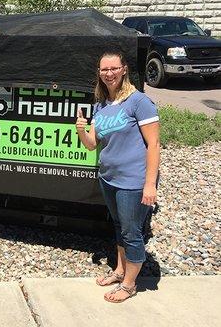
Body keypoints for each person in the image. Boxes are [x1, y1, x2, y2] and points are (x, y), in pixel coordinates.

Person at [76, 52, 160, 303]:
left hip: (133, 181)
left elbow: (154, 144)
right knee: (119, 227)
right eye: (104, 70)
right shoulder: (100, 104)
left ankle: (129, 284)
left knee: (132, 232)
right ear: (99, 73)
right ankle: (121, 270)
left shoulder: (139, 101)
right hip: (109, 178)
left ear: (124, 69)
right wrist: (81, 130)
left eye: (114, 68)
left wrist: (149, 184)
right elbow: (92, 144)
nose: (109, 73)